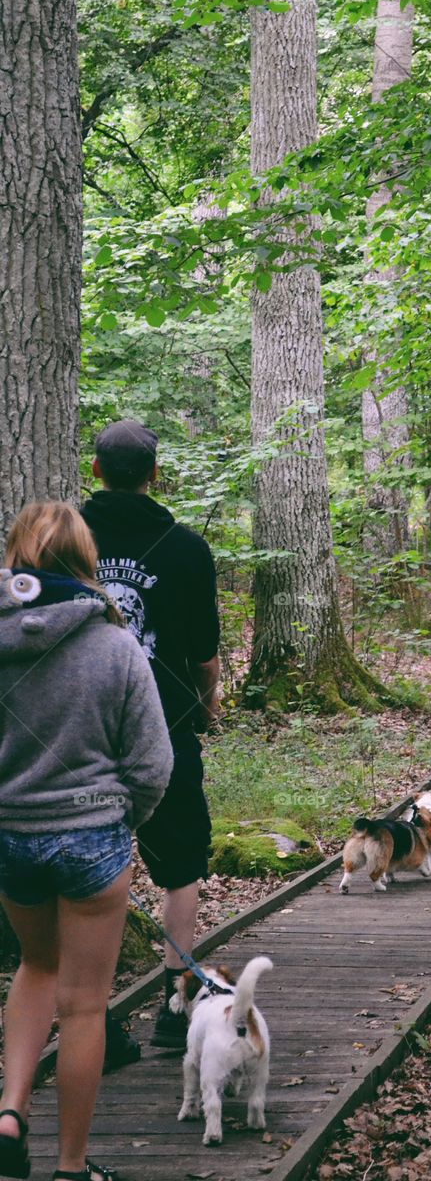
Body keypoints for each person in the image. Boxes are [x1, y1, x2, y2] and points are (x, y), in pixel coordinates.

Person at [0, 502, 173, 1181]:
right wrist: (122, 818)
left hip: (11, 837)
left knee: (35, 968)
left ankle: (9, 1113)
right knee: (84, 1004)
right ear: (85, 561)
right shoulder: (114, 644)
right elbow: (153, 764)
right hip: (91, 840)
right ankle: (72, 1166)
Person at [81, 420, 221, 1057]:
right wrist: (207, 701)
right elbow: (203, 653)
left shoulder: (63, 540)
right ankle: (175, 1001)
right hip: (164, 726)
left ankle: (95, 1019)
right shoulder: (186, 548)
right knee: (182, 859)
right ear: (155, 472)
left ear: (96, 470)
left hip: (76, 734)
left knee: (87, 864)